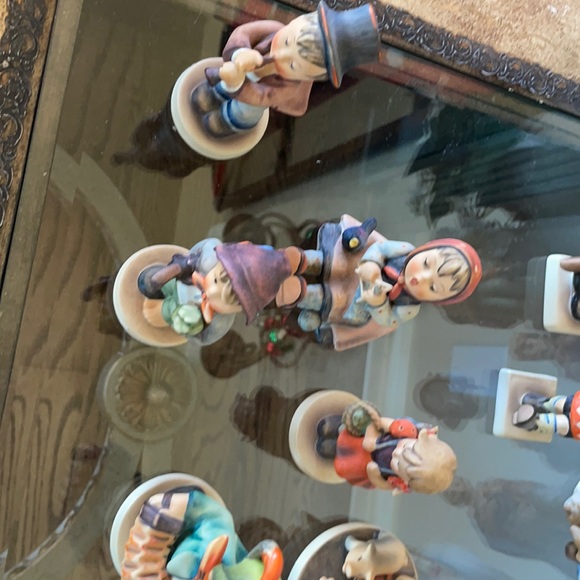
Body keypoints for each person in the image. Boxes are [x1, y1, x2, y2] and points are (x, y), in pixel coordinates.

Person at [191, 0, 378, 137]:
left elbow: (263, 96)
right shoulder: (273, 28)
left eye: (293, 65)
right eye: (288, 41)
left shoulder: (290, 86)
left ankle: (225, 121)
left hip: (250, 95)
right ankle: (213, 94)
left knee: (243, 112)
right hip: (236, 70)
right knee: (211, 91)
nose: (279, 55)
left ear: (309, 76)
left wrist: (237, 84)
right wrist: (239, 53)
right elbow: (242, 33)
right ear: (298, 20)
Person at [317, 401, 457, 494]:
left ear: (406, 481)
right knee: (358, 422)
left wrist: (374, 476)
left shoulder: (398, 480)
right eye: (404, 447)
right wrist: (371, 436)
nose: (396, 453)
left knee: (349, 466)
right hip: (365, 437)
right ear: (419, 439)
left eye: (398, 464)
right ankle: (339, 429)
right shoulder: (407, 430)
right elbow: (382, 423)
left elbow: (385, 485)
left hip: (364, 462)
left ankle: (335, 451)